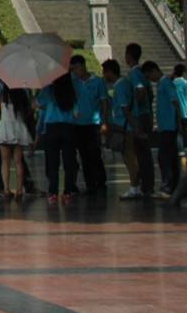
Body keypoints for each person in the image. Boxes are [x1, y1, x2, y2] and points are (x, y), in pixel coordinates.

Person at [114, 42, 153, 199]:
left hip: (139, 117)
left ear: (128, 56)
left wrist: (136, 103)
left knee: (141, 153)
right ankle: (145, 186)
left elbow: (141, 91)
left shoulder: (135, 73)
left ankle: (144, 187)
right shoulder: (143, 73)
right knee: (143, 153)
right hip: (145, 115)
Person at [70, 55, 108, 199]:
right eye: (72, 69)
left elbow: (104, 101)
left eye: (76, 68)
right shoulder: (73, 82)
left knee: (95, 153)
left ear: (83, 66)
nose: (74, 71)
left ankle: (101, 180)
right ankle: (90, 184)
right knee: (84, 155)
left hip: (94, 123)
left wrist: (104, 121)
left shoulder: (97, 81)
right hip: (78, 124)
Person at [40, 73, 79, 203]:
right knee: (69, 162)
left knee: (53, 162)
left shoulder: (48, 89)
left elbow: (36, 104)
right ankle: (67, 193)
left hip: (52, 128)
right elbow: (76, 112)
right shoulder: (71, 90)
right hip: (68, 128)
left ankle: (53, 193)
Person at [0, 85, 33, 203]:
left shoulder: (2, 93)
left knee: (5, 161)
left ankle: (6, 189)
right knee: (18, 161)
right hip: (18, 128)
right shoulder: (22, 93)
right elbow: (28, 112)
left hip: (5, 127)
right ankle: (19, 189)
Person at [151, 60, 185, 195]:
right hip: (165, 125)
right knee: (169, 155)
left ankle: (169, 183)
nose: (150, 79)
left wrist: (179, 121)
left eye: (149, 76)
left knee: (165, 156)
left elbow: (175, 102)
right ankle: (172, 183)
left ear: (154, 71)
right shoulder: (162, 83)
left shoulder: (165, 83)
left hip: (169, 126)